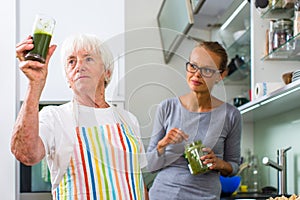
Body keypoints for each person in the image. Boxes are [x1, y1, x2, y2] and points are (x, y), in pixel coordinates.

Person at [11, 34, 148, 200]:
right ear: (68, 79)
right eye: (71, 61)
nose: (79, 66)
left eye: (88, 59)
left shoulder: (128, 120)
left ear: (107, 72)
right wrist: (34, 85)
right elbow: (26, 154)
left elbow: (137, 181)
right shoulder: (54, 117)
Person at [146, 41, 242, 200]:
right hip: (162, 194)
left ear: (221, 75)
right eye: (193, 66)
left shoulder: (231, 115)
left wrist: (218, 163)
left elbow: (234, 166)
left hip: (205, 196)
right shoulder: (167, 107)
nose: (197, 74)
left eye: (207, 70)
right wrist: (162, 145)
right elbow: (150, 166)